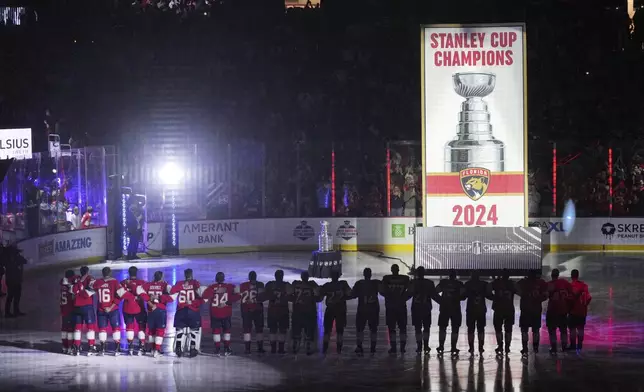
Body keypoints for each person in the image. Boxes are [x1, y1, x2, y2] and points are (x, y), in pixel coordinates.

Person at [202, 272, 239, 356]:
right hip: (226, 312)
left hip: (215, 313)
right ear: (224, 279)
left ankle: (217, 349)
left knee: (216, 331)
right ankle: (227, 348)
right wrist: (227, 301)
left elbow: (204, 296)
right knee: (227, 331)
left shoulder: (211, 288)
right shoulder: (229, 287)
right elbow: (237, 296)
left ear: (215, 279)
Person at [170, 268, 203, 357]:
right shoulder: (195, 283)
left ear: (185, 275)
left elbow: (172, 291)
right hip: (193, 311)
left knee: (179, 330)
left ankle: (178, 347)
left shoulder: (179, 283)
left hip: (181, 311)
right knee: (194, 331)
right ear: (191, 275)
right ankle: (192, 348)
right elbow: (201, 294)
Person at [141, 271, 173, 357]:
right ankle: (157, 350)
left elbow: (139, 291)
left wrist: (149, 301)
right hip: (160, 310)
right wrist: (160, 297)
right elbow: (171, 296)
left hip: (151, 310)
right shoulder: (165, 284)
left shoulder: (148, 284)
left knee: (151, 330)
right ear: (162, 277)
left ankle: (152, 349)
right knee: (160, 330)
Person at [381, 264, 411, 354]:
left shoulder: (386, 279)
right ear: (398, 270)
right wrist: (403, 298)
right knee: (402, 328)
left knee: (391, 329)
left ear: (391, 270)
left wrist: (389, 298)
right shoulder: (405, 279)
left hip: (390, 307)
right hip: (401, 306)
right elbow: (411, 291)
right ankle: (402, 347)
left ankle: (393, 347)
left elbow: (382, 291)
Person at [409, 266, 440, 355]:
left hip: (416, 308)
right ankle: (426, 346)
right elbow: (434, 295)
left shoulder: (413, 282)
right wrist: (443, 302)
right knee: (426, 328)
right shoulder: (429, 283)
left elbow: (408, 294)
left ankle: (419, 346)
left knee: (417, 328)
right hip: (426, 308)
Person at [351, 267, 381, 355]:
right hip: (374, 310)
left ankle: (359, 346)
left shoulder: (359, 284)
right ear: (370, 274)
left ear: (363, 274)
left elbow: (353, 295)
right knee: (373, 330)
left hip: (362, 310)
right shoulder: (376, 283)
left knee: (360, 329)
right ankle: (373, 347)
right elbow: (384, 290)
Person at [320, 270, 352, 354]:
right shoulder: (343, 284)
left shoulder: (327, 286)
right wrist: (343, 298)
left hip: (330, 309)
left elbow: (319, 294)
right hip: (340, 309)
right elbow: (350, 294)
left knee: (327, 330)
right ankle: (339, 349)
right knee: (340, 331)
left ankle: (325, 348)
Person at [517, 271, 547, 356]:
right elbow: (545, 296)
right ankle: (535, 348)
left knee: (524, 330)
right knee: (536, 330)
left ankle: (525, 348)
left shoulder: (522, 282)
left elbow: (516, 290)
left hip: (525, 310)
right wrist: (538, 298)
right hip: (536, 310)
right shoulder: (541, 283)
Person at [93, 267, 122, 356]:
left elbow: (91, 289)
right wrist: (111, 307)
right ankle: (117, 349)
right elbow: (120, 296)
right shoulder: (115, 282)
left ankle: (102, 350)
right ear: (110, 273)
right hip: (112, 309)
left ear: (102, 273)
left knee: (102, 330)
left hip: (101, 309)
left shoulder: (97, 282)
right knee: (116, 329)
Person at [436, 270, 465, 356]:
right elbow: (463, 297)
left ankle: (441, 346)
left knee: (442, 328)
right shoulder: (459, 284)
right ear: (455, 276)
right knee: (455, 329)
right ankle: (453, 347)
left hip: (444, 308)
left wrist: (441, 301)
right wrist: (457, 298)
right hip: (455, 308)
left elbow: (435, 291)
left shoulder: (443, 283)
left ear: (449, 275)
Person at [290, 271, 319, 355]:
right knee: (309, 332)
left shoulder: (296, 284)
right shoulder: (312, 285)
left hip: (297, 312)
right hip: (309, 312)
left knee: (296, 332)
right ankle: (308, 348)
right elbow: (318, 297)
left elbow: (289, 293)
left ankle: (295, 347)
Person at [120, 266, 147, 355]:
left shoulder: (123, 282)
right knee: (141, 327)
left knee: (129, 328)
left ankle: (130, 346)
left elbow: (121, 294)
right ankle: (141, 345)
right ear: (137, 273)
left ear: (129, 272)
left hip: (127, 308)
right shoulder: (142, 283)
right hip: (139, 308)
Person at [264, 270, 293, 354]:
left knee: (272, 330)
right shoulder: (286, 285)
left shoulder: (270, 284)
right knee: (282, 330)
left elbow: (265, 294)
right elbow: (291, 296)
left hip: (272, 310)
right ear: (282, 276)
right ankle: (281, 349)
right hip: (283, 310)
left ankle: (273, 348)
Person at [70, 266, 96, 355]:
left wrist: (78, 294)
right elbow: (92, 291)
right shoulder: (91, 278)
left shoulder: (76, 279)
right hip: (87, 307)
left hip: (77, 306)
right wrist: (82, 293)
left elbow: (72, 291)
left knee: (77, 328)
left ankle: (76, 348)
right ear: (87, 272)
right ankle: (91, 347)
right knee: (90, 328)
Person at [490, 269, 517, 355]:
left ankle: (500, 346)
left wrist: (493, 298)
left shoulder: (497, 283)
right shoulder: (512, 284)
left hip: (498, 309)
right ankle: (507, 347)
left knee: (498, 329)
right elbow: (520, 292)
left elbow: (487, 289)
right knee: (508, 330)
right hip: (509, 309)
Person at [464, 270, 491, 356]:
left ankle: (471, 347)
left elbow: (463, 297)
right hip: (481, 310)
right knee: (481, 329)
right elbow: (489, 295)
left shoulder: (467, 284)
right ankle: (481, 347)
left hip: (471, 310)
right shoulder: (484, 284)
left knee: (471, 330)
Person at [546, 268, 573, 354]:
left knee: (552, 330)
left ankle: (554, 347)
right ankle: (564, 346)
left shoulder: (549, 284)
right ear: (558, 275)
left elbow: (545, 295)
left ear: (551, 275)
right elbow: (571, 292)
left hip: (552, 310)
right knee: (563, 330)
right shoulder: (564, 282)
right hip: (563, 310)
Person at [239, 271, 266, 354]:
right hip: (257, 310)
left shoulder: (242, 285)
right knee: (259, 330)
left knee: (247, 330)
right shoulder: (260, 285)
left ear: (249, 277)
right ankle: (260, 348)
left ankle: (247, 349)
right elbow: (262, 297)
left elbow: (237, 295)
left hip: (246, 310)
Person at [568, 269, 591, 352]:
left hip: (573, 311)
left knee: (572, 329)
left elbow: (568, 299)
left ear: (571, 276)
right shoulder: (584, 286)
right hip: (582, 311)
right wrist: (584, 306)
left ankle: (573, 345)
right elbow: (589, 298)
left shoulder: (570, 286)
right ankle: (580, 345)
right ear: (578, 275)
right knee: (581, 328)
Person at [4, 245, 26, 318]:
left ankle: (14, 311)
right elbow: (24, 261)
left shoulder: (9, 258)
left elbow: (24, 261)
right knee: (12, 296)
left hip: (14, 280)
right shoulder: (13, 258)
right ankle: (10, 312)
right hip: (13, 280)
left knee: (15, 296)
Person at [60, 270, 77, 354]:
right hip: (70, 309)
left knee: (64, 328)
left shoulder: (62, 284)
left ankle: (64, 346)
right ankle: (70, 347)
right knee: (70, 329)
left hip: (63, 309)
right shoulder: (70, 287)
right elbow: (73, 297)